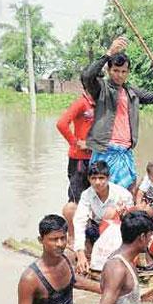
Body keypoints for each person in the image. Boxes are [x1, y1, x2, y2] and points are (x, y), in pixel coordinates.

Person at [81, 36, 153, 191]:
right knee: (104, 193)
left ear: (128, 72)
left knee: (127, 194)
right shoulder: (101, 89)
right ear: (109, 70)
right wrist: (109, 53)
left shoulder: (131, 92)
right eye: (115, 70)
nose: (119, 75)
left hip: (125, 152)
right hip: (105, 150)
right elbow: (88, 77)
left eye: (123, 71)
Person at [17, 215, 100, 304]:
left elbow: (75, 281)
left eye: (63, 238)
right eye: (54, 239)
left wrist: (107, 290)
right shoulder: (30, 279)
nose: (60, 244)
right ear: (40, 240)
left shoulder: (67, 259)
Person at [95, 211, 153, 304]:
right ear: (142, 237)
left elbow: (123, 297)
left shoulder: (127, 261)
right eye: (150, 235)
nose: (151, 240)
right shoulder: (117, 268)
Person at [73, 160, 134, 274]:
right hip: (98, 229)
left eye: (101, 178)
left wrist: (120, 214)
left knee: (110, 213)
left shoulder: (122, 194)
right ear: (88, 179)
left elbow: (131, 220)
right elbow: (80, 221)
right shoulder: (86, 195)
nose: (97, 182)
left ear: (108, 178)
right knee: (79, 219)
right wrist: (80, 253)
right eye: (93, 178)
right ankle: (87, 253)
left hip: (118, 230)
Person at [56, 90, 95, 245]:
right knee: (75, 200)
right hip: (79, 158)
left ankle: (86, 238)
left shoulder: (102, 102)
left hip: (96, 158)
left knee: (92, 199)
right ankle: (72, 238)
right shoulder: (81, 102)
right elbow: (61, 123)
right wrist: (75, 142)